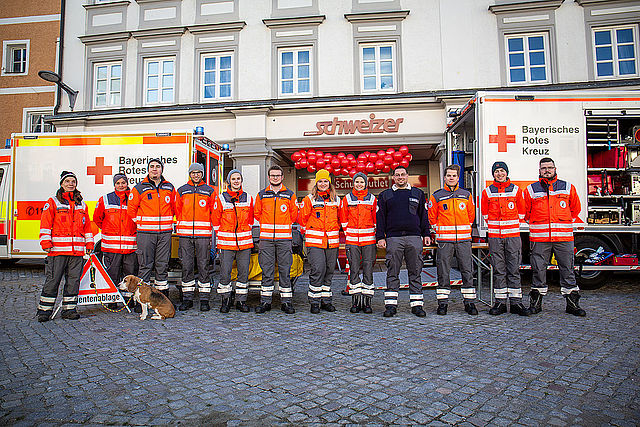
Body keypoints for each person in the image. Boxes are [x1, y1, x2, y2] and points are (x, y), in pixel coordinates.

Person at [524, 157, 585, 316]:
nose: (547, 170)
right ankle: (536, 305)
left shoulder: (567, 187)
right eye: (543, 168)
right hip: (540, 239)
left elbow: (575, 209)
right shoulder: (531, 190)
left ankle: (572, 305)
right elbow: (526, 213)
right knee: (538, 271)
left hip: (563, 238)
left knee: (568, 270)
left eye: (550, 167)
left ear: (555, 169)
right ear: (539, 171)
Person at [36, 171, 94, 322]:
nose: (70, 184)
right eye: (67, 181)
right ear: (62, 184)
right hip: (57, 251)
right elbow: (45, 224)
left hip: (76, 252)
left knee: (73, 281)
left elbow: (87, 227)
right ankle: (44, 311)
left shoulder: (82, 204)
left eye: (73, 181)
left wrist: (89, 243)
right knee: (53, 280)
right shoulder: (53, 202)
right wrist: (45, 243)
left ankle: (69, 309)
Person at [376, 166, 431, 318]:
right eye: (397, 175)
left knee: (415, 271)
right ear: (393, 177)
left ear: (408, 176)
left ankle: (417, 305)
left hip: (414, 237)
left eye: (403, 174)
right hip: (393, 238)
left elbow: (423, 216)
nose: (400, 177)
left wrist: (426, 233)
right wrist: (380, 237)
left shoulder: (418, 193)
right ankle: (391, 305)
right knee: (392, 272)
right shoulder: (385, 195)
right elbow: (380, 218)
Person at [480, 162, 529, 316]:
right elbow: (485, 214)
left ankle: (516, 303)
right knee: (499, 270)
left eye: (502, 171)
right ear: (493, 174)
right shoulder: (487, 192)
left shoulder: (516, 190)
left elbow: (522, 213)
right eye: (496, 171)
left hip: (513, 236)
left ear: (507, 172)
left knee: (514, 269)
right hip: (495, 236)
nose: (499, 174)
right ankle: (500, 302)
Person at [428, 164, 477, 316]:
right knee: (443, 273)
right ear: (444, 177)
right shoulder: (436, 195)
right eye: (448, 175)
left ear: (458, 178)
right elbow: (432, 217)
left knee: (467, 271)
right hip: (444, 241)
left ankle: (469, 303)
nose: (451, 178)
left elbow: (471, 216)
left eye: (454, 176)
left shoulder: (466, 194)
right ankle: (443, 304)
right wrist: (440, 232)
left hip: (463, 240)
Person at [127, 159, 176, 302]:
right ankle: (142, 299)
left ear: (162, 169)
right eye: (152, 167)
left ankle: (162, 299)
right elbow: (131, 210)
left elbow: (174, 207)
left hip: (164, 234)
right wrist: (141, 223)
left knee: (162, 265)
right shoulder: (139, 188)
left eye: (158, 167)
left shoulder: (169, 187)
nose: (155, 169)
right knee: (145, 266)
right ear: (148, 170)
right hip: (146, 234)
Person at [254, 165, 298, 314]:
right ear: (268, 177)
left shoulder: (290, 195)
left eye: (277, 175)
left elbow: (294, 215)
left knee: (285, 271)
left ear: (282, 177)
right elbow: (257, 214)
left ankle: (286, 302)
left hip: (284, 240)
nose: (275, 178)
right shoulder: (261, 195)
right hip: (266, 239)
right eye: (272, 175)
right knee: (267, 271)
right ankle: (265, 302)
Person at [93, 173, 139, 311]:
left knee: (129, 274)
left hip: (131, 245)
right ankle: (111, 299)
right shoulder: (105, 199)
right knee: (111, 274)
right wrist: (109, 230)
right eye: (118, 183)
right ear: (114, 185)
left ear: (127, 183)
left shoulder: (133, 197)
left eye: (123, 183)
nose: (121, 185)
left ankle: (128, 300)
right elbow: (97, 218)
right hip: (111, 247)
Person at [212, 169, 254, 313]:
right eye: (233, 179)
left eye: (238, 179)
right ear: (229, 181)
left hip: (244, 243)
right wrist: (224, 235)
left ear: (241, 181)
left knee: (243, 273)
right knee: (225, 273)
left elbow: (251, 220)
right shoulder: (221, 198)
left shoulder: (248, 198)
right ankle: (226, 300)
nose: (236, 181)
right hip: (226, 243)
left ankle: (241, 301)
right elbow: (215, 221)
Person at [175, 163, 216, 312]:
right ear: (190, 174)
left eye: (199, 172)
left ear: (202, 174)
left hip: (203, 235)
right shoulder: (181, 190)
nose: (196, 175)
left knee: (204, 266)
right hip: (185, 235)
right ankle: (187, 299)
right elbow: (177, 210)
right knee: (187, 266)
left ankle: (204, 299)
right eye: (193, 172)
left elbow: (214, 213)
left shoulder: (209, 191)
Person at [299, 169, 341, 314]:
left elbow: (340, 220)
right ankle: (314, 301)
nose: (323, 184)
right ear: (316, 183)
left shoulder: (336, 199)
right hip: (315, 242)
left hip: (332, 242)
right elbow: (301, 221)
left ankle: (326, 300)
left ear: (329, 182)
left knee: (329, 271)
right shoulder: (309, 199)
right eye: (320, 181)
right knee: (318, 270)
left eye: (325, 181)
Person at [339, 172, 376, 313]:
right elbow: (343, 218)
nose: (359, 184)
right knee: (353, 270)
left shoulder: (372, 199)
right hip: (352, 240)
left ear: (366, 184)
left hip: (369, 240)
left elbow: (375, 219)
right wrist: (349, 233)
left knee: (368, 270)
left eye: (362, 182)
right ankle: (355, 302)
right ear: (353, 183)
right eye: (357, 182)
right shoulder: (347, 199)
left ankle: (367, 302)